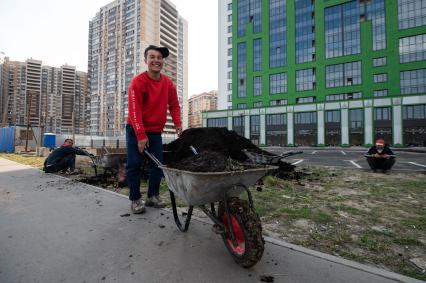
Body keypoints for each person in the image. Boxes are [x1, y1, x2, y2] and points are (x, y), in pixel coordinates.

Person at [126, 45, 182, 214]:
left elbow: (174, 105)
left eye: (159, 57)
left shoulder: (167, 83)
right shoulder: (138, 82)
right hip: (136, 129)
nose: (156, 60)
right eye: (152, 57)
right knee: (134, 164)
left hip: (156, 131)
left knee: (157, 165)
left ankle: (152, 196)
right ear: (146, 61)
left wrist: (178, 123)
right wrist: (141, 135)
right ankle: (135, 199)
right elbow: (134, 110)